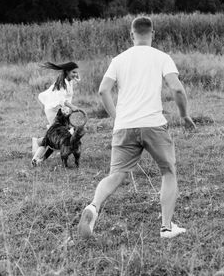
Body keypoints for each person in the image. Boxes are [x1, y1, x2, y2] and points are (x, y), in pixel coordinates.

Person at [77, 16, 196, 239]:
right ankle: (167, 228)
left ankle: (93, 207)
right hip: (153, 125)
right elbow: (177, 90)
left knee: (116, 175)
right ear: (153, 33)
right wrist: (184, 115)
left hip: (124, 126)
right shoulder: (162, 57)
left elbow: (103, 90)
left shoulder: (119, 59)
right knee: (168, 171)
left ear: (131, 35)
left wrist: (117, 117)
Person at [31, 61, 80, 165]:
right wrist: (72, 107)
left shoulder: (69, 80)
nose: (76, 75)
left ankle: (38, 146)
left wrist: (76, 75)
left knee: (58, 135)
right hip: (54, 111)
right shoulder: (62, 84)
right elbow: (62, 100)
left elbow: (77, 80)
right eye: (73, 72)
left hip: (61, 111)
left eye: (77, 72)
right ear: (67, 72)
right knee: (55, 136)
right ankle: (35, 160)